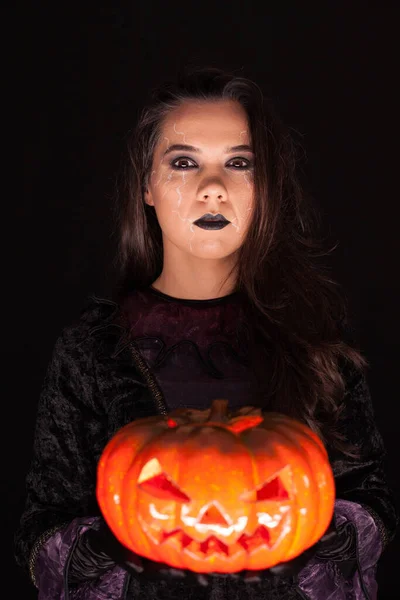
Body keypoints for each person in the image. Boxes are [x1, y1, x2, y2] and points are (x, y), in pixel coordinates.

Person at [15, 67, 397, 600]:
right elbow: (43, 524)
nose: (212, 188)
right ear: (146, 186)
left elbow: (370, 499)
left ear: (265, 189)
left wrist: (320, 546)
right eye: (184, 163)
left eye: (238, 164)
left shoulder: (317, 338)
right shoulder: (90, 346)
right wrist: (110, 549)